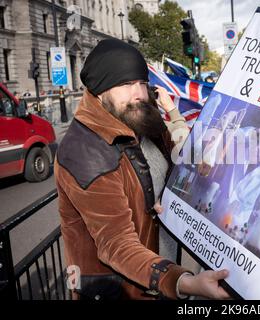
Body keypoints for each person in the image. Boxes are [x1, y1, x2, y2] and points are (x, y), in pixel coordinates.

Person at [55, 38, 230, 300]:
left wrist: (170, 195)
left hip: (159, 272)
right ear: (100, 90)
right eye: (126, 84)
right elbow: (117, 245)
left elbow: (177, 165)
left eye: (142, 83)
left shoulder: (141, 116)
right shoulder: (84, 152)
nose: (138, 93)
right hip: (123, 289)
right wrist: (185, 282)